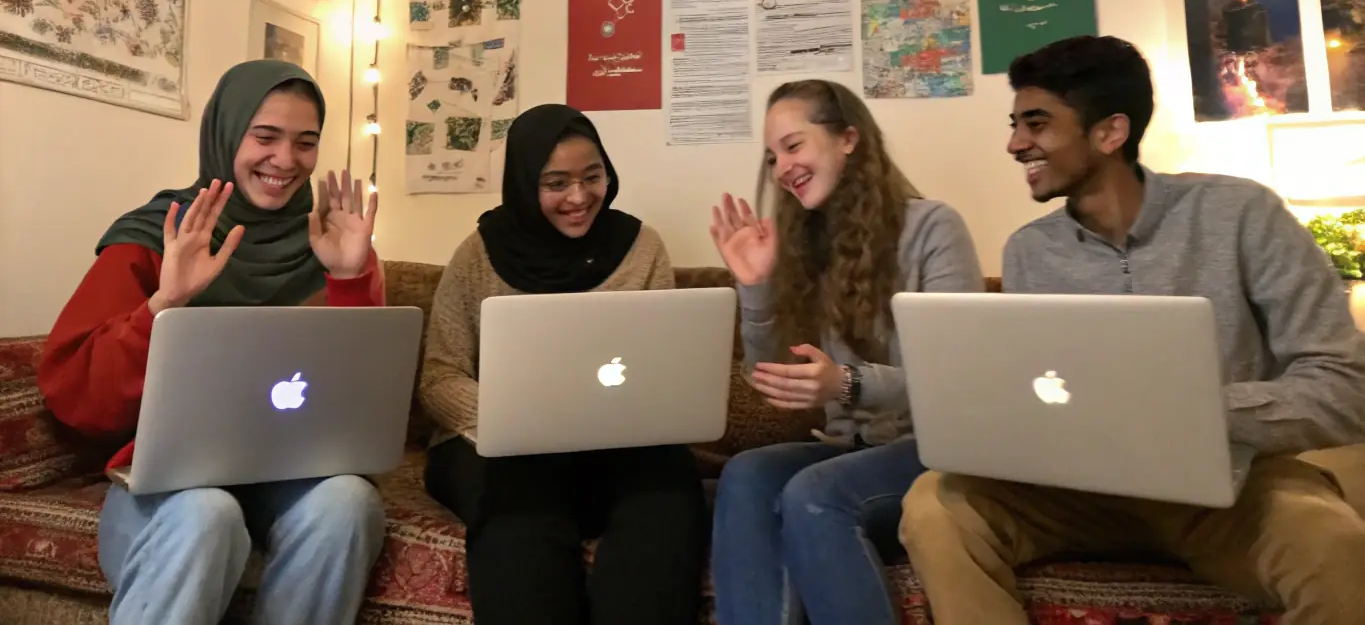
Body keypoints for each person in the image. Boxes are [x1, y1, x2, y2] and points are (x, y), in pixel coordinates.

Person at [899, 35, 1365, 625]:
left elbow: (1344, 386)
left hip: (1231, 485)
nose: (1015, 144)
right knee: (935, 506)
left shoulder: (1241, 214)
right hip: (1077, 492)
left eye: (1036, 124)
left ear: (1110, 132)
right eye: (1016, 126)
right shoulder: (1028, 252)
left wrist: (1195, 412)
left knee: (1332, 545)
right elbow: (1035, 390)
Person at [38, 60, 387, 625]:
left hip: (289, 475)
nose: (286, 160)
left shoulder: (330, 240)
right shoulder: (158, 236)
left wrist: (349, 278)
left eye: (306, 142)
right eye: (265, 136)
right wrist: (164, 305)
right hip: (168, 487)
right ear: (225, 133)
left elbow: (365, 407)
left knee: (348, 501)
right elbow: (76, 396)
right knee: (208, 512)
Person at [708, 79, 983, 625]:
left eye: (794, 145)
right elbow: (774, 381)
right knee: (745, 474)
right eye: (772, 157)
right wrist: (756, 287)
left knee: (814, 492)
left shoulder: (933, 227)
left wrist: (849, 383)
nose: (781, 168)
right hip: (848, 450)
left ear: (848, 139)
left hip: (933, 452)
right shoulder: (804, 246)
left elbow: (959, 378)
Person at [420, 104, 707, 625]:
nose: (579, 197)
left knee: (669, 490)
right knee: (520, 498)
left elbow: (661, 367)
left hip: (616, 446)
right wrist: (515, 418)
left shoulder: (641, 248)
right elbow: (440, 377)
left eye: (592, 177)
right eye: (556, 183)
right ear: (524, 182)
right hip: (500, 451)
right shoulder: (477, 256)